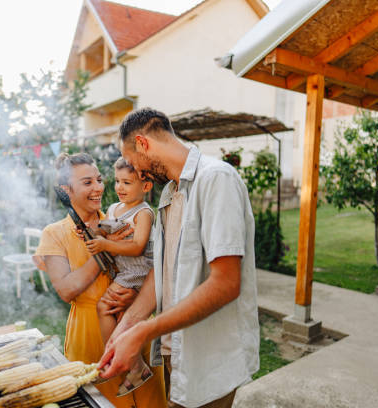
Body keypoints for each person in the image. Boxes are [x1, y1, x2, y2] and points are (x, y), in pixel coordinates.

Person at [98, 107, 260, 408]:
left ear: (143, 143)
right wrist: (128, 325)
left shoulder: (216, 179)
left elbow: (226, 283)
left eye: (135, 164)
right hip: (177, 353)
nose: (139, 175)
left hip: (211, 359)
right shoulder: (170, 193)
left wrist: (146, 329)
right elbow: (163, 272)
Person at [34, 152, 166, 408]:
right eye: (87, 183)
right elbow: (66, 289)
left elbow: (151, 266)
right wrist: (104, 250)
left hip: (135, 325)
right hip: (89, 335)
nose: (98, 188)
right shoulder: (54, 234)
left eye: (99, 179)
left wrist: (138, 297)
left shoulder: (123, 219)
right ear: (66, 190)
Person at [85, 157, 155, 396]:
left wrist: (105, 244)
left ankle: (117, 360)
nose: (120, 187)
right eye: (117, 181)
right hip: (121, 270)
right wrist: (91, 232)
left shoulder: (143, 213)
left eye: (127, 182)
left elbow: (137, 247)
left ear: (146, 186)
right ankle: (135, 367)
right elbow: (103, 230)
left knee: (104, 307)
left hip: (136, 271)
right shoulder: (114, 208)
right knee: (120, 314)